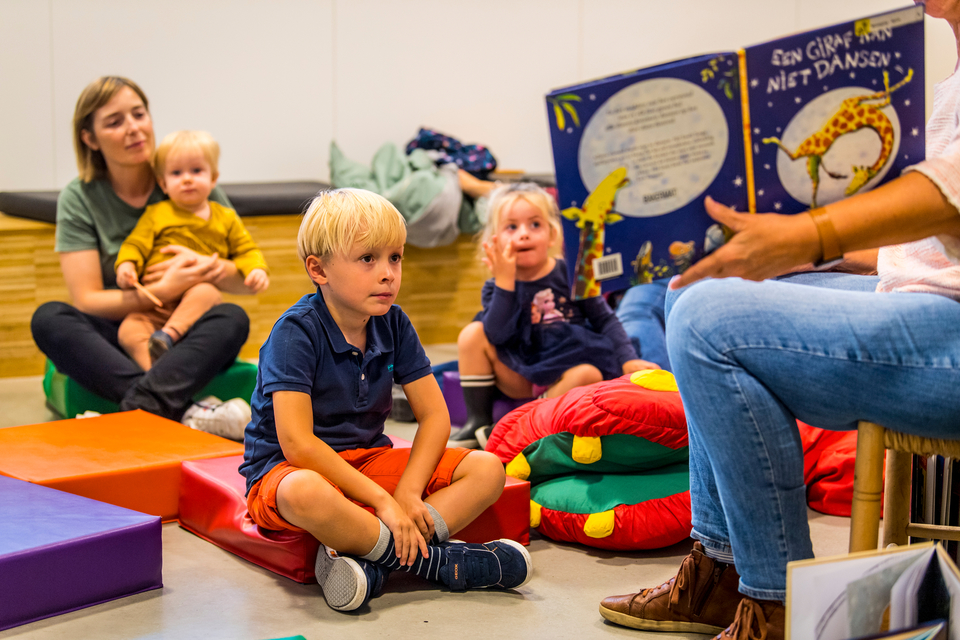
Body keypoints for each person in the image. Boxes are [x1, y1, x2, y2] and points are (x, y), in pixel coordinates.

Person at [599, 2, 960, 638]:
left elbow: (947, 197)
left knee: (710, 320)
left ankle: (775, 600)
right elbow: (932, 246)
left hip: (948, 336)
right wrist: (770, 250)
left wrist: (804, 238)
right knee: (694, 292)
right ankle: (720, 570)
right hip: (919, 301)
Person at [238, 189, 533, 612]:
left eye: (395, 258)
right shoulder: (295, 333)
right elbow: (298, 445)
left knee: (487, 467)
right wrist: (383, 502)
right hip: (289, 472)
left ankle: (373, 559)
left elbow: (435, 417)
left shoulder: (393, 323)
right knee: (306, 492)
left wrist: (410, 495)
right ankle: (439, 563)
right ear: (318, 270)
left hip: (368, 461)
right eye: (367, 259)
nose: (388, 274)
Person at [30, 76, 252, 437]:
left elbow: (245, 279)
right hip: (118, 334)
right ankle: (187, 411)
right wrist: (165, 287)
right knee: (49, 318)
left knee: (231, 317)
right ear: (89, 138)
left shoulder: (185, 174)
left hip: (181, 332)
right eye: (115, 122)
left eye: (139, 114)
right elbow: (87, 299)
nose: (134, 128)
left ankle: (134, 411)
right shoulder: (79, 197)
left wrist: (213, 268)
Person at [454, 182, 658, 448]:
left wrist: (628, 360)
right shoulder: (496, 286)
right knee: (471, 334)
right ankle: (477, 423)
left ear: (552, 235)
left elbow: (605, 319)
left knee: (587, 374)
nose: (523, 234)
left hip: (569, 364)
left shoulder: (571, 274)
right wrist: (505, 282)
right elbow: (497, 334)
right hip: (523, 368)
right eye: (511, 227)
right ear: (492, 241)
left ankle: (520, 424)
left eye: (535, 225)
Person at [115, 130, 269, 371]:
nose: (186, 179)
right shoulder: (156, 214)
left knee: (207, 292)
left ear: (214, 178)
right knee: (128, 330)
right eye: (176, 173)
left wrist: (256, 269)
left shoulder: (226, 218)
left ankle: (168, 337)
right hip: (155, 305)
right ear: (163, 184)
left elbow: (246, 249)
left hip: (196, 306)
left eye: (196, 171)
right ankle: (154, 373)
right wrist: (126, 266)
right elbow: (135, 244)